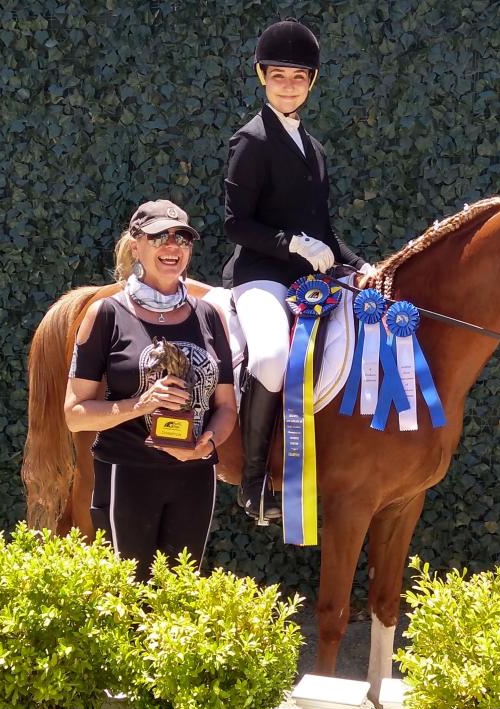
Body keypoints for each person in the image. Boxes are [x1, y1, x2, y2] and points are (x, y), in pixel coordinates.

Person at [222, 19, 373, 522]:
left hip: (311, 282)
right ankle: (252, 482)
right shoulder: (251, 140)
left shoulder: (314, 147)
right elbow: (235, 224)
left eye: (299, 78)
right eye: (279, 76)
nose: (289, 86)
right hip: (261, 276)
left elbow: (325, 232)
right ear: (262, 77)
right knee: (269, 358)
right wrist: (289, 243)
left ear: (312, 83)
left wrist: (360, 266)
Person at [65, 199, 235, 581]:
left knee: (180, 594)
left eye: (182, 238)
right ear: (136, 244)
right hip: (128, 473)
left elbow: (226, 406)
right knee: (128, 599)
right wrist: (139, 404)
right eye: (159, 236)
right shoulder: (106, 313)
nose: (172, 247)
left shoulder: (209, 316)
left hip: (195, 476)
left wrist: (207, 445)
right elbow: (74, 415)